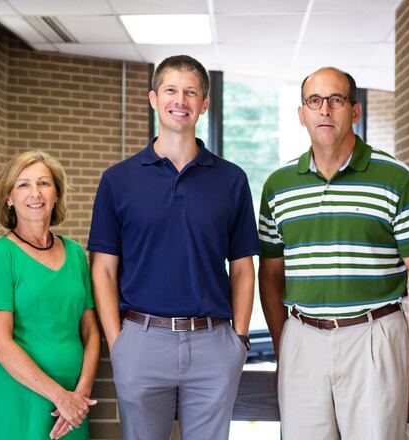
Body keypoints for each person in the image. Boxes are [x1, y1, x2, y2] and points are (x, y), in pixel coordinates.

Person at [258, 67, 409, 439]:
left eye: (336, 100)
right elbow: (270, 276)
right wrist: (284, 349)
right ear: (301, 113)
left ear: (354, 111)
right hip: (302, 337)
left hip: (374, 336)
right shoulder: (278, 186)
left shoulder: (397, 179)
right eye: (314, 101)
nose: (325, 110)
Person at [88, 54, 259, 440]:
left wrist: (240, 339)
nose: (180, 100)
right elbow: (103, 269)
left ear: (204, 104)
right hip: (141, 341)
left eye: (190, 92)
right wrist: (119, 343)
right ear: (153, 98)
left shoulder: (231, 180)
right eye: (171, 90)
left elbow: (244, 267)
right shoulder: (118, 180)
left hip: (214, 342)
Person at [0, 151, 99, 440]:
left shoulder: (75, 254)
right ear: (8, 197)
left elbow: (91, 332)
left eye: (44, 183)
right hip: (21, 396)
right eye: (23, 185)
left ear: (56, 194)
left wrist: (81, 393)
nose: (35, 193)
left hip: (73, 402)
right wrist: (61, 398)